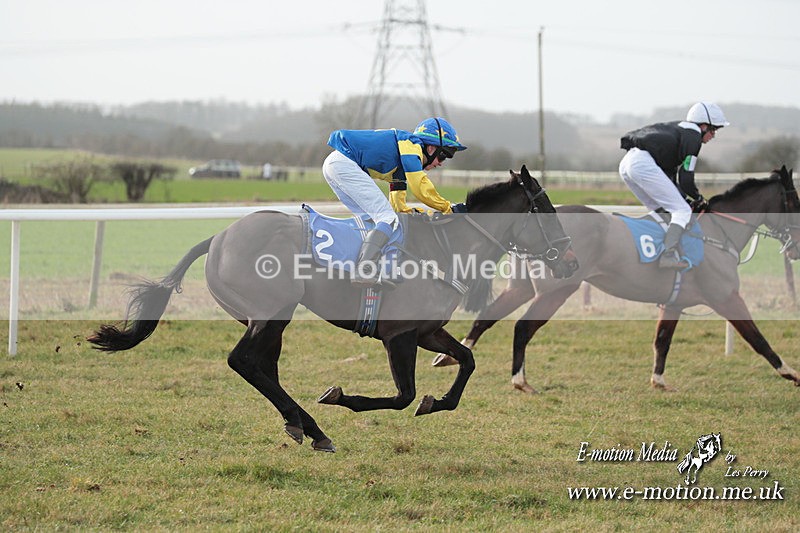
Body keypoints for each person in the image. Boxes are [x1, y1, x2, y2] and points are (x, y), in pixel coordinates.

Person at [323, 117, 467, 287]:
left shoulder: (404, 155)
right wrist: (448, 208)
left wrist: (407, 212)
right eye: (443, 156)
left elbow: (397, 198)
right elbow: (420, 187)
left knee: (374, 220)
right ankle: (364, 270)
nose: (441, 163)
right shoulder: (412, 146)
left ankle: (364, 264)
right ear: (431, 148)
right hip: (344, 164)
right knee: (387, 219)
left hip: (336, 164)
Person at [618, 102, 729, 269]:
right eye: (713, 130)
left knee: (663, 210)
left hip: (627, 164)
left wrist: (686, 198)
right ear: (703, 126)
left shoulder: (679, 131)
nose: (713, 135)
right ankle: (667, 255)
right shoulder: (693, 138)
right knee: (682, 211)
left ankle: (651, 249)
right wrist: (699, 198)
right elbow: (686, 178)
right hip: (641, 164)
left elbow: (671, 180)